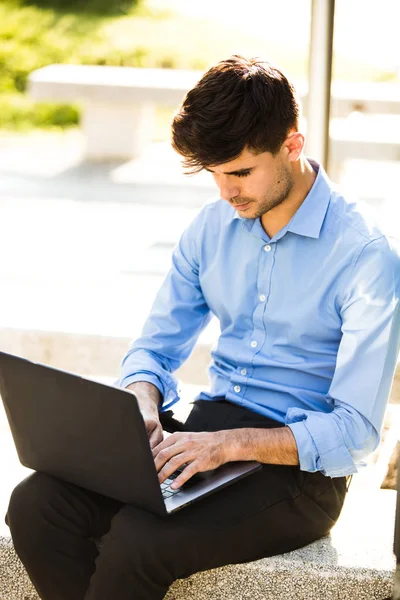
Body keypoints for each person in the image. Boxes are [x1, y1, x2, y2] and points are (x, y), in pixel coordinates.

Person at [5, 55, 400, 600]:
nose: (225, 194)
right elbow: (154, 350)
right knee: (36, 507)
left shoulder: (366, 256)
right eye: (214, 174)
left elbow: (355, 433)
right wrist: (140, 403)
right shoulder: (212, 228)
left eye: (239, 172)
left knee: (139, 543)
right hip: (203, 434)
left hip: (301, 474)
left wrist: (230, 445)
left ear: (292, 143)